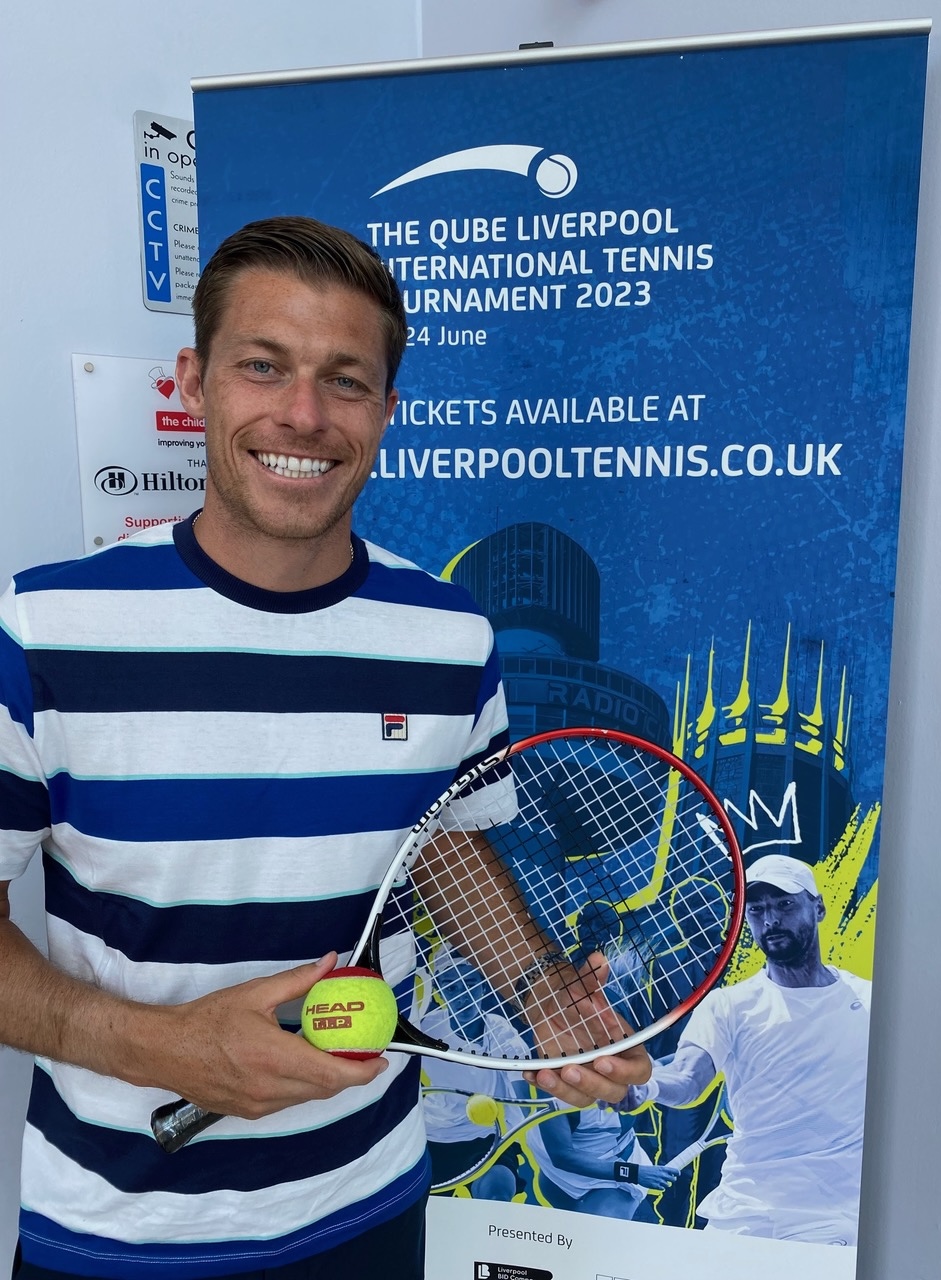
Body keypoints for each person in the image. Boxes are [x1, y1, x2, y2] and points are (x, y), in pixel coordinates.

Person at [0, 216, 650, 1280]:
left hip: (372, 1207)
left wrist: (541, 990)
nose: (303, 414)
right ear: (197, 379)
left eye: (346, 380)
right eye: (265, 366)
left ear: (387, 409)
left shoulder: (450, 637)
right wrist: (160, 1046)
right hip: (120, 1235)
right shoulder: (43, 627)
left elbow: (441, 845)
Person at [618, 853, 871, 1245]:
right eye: (757, 909)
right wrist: (644, 1086)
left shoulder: (872, 1002)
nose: (770, 920)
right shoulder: (727, 1005)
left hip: (831, 1219)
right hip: (739, 1214)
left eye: (785, 905)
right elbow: (686, 1079)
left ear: (818, 908)